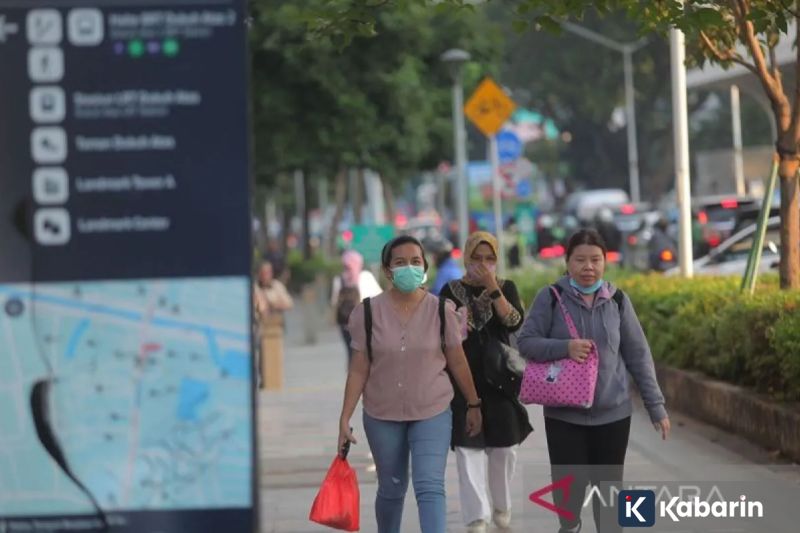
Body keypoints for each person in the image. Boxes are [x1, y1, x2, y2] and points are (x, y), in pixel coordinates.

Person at [517, 229, 671, 533]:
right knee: (568, 495)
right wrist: (564, 348)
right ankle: (570, 525)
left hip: (613, 413)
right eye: (581, 260)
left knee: (610, 492)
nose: (588, 267)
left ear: (605, 262)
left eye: (595, 260)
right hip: (564, 415)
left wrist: (657, 407)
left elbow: (639, 355)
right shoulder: (550, 298)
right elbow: (526, 342)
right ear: (568, 262)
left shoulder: (618, 301)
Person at [337, 235, 483, 533]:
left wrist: (473, 403)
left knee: (430, 486)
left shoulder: (442, 310)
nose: (409, 268)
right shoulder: (367, 313)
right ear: (388, 271)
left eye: (415, 262)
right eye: (400, 262)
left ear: (425, 267)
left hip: (432, 409)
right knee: (391, 488)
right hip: (381, 413)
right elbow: (358, 369)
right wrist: (345, 416)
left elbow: (457, 360)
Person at [440, 232, 532, 533]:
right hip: (464, 379)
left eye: (489, 258)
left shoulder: (506, 287)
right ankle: (476, 517)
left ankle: (502, 505)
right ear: (466, 257)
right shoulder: (451, 290)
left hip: (501, 381)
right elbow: (443, 334)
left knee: (505, 448)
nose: (482, 264)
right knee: (468, 450)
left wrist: (493, 289)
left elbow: (514, 321)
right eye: (477, 258)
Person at [330, 250, 382, 363]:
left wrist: (333, 320)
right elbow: (379, 298)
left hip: (345, 322)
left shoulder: (339, 279)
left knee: (350, 351)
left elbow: (334, 302)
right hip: (365, 322)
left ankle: (352, 376)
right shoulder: (366, 277)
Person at [253, 260, 293, 390]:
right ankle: (264, 378)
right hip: (259, 328)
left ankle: (272, 377)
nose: (266, 275)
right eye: (263, 272)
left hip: (275, 328)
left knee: (273, 354)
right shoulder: (254, 288)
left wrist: (276, 304)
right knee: (260, 356)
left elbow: (289, 303)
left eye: (268, 272)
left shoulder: (277, 286)